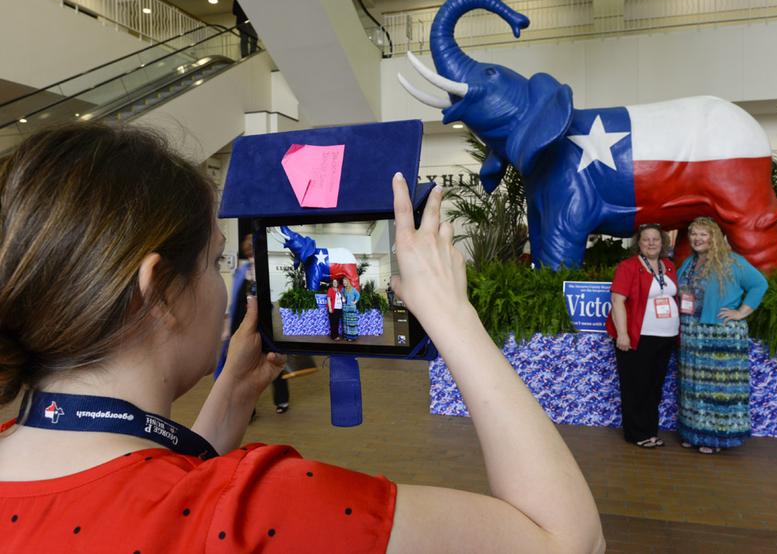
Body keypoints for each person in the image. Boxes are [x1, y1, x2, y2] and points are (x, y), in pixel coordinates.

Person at [0, 124, 604, 553]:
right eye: (214, 263)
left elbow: (153, 492)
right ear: (158, 291)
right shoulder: (259, 512)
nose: (226, 284)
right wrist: (452, 313)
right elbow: (567, 540)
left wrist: (231, 397)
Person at [677, 216, 768, 455]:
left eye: (703, 234)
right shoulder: (689, 263)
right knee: (693, 386)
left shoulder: (732, 262)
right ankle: (693, 433)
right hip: (691, 332)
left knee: (716, 388)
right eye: (694, 234)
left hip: (720, 335)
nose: (697, 238)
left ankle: (715, 438)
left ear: (714, 237)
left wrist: (741, 312)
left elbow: (759, 284)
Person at [605, 224, 679, 448]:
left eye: (655, 239)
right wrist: (623, 334)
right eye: (646, 239)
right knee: (636, 386)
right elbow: (617, 301)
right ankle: (637, 433)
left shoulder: (668, 266)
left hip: (665, 337)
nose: (651, 243)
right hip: (639, 336)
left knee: (654, 387)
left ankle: (650, 430)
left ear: (662, 242)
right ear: (639, 243)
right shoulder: (628, 267)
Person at [216, 232, 291, 414]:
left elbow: (276, 297)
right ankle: (248, 408)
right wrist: (229, 325)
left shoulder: (266, 270)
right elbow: (235, 299)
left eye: (253, 248)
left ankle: (282, 400)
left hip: (264, 324)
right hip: (241, 325)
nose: (250, 251)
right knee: (242, 366)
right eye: (248, 248)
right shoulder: (242, 271)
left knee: (272, 361)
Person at [341, 276, 361, 342]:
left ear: (348, 282)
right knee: (346, 323)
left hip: (351, 308)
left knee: (351, 323)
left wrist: (355, 301)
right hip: (345, 308)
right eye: (343, 282)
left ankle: (352, 337)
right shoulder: (343, 290)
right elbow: (342, 297)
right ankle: (347, 336)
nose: (344, 283)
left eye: (345, 281)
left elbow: (358, 295)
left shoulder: (353, 289)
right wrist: (342, 299)